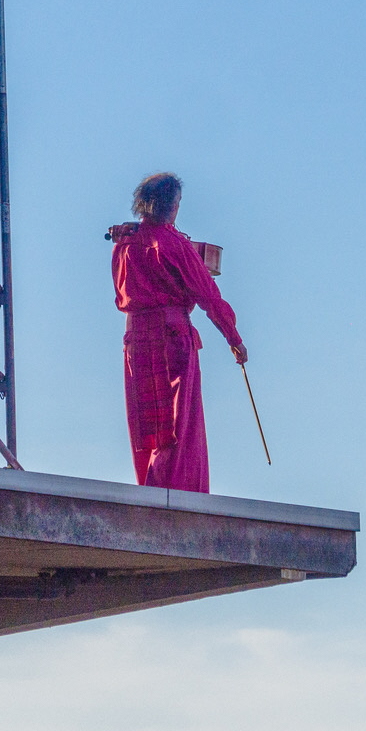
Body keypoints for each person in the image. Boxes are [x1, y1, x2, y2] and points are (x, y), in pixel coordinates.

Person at [110, 173, 247, 493]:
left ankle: (150, 490)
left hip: (136, 342)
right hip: (171, 339)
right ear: (171, 206)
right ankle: (177, 497)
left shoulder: (123, 245)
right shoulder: (175, 245)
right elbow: (208, 295)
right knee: (177, 427)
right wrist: (234, 338)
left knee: (146, 426)